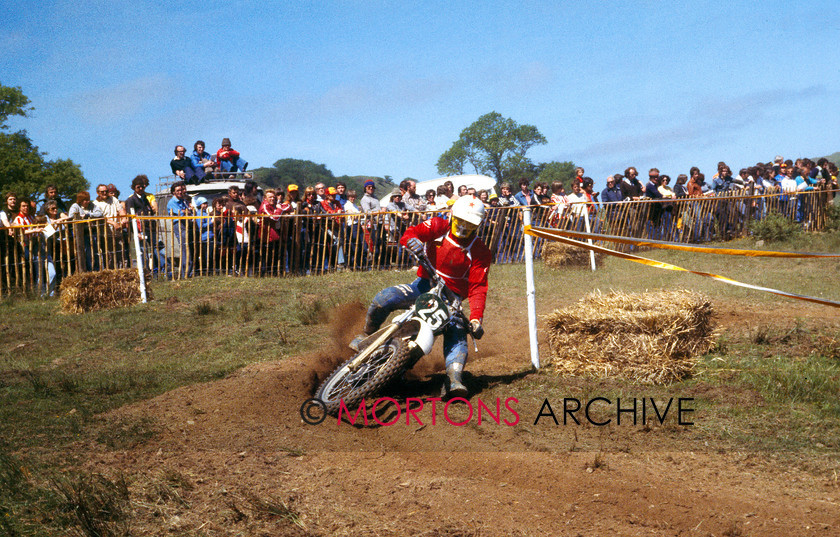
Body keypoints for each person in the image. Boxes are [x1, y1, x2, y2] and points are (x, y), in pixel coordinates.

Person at [352, 195, 491, 398]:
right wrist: (413, 242)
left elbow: (478, 286)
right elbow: (409, 233)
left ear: (477, 225)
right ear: (453, 215)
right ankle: (365, 335)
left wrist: (476, 317)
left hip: (450, 301)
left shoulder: (481, 252)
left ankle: (454, 379)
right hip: (423, 285)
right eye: (461, 221)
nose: (463, 227)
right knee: (385, 297)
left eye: (469, 224)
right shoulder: (437, 225)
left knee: (458, 333)